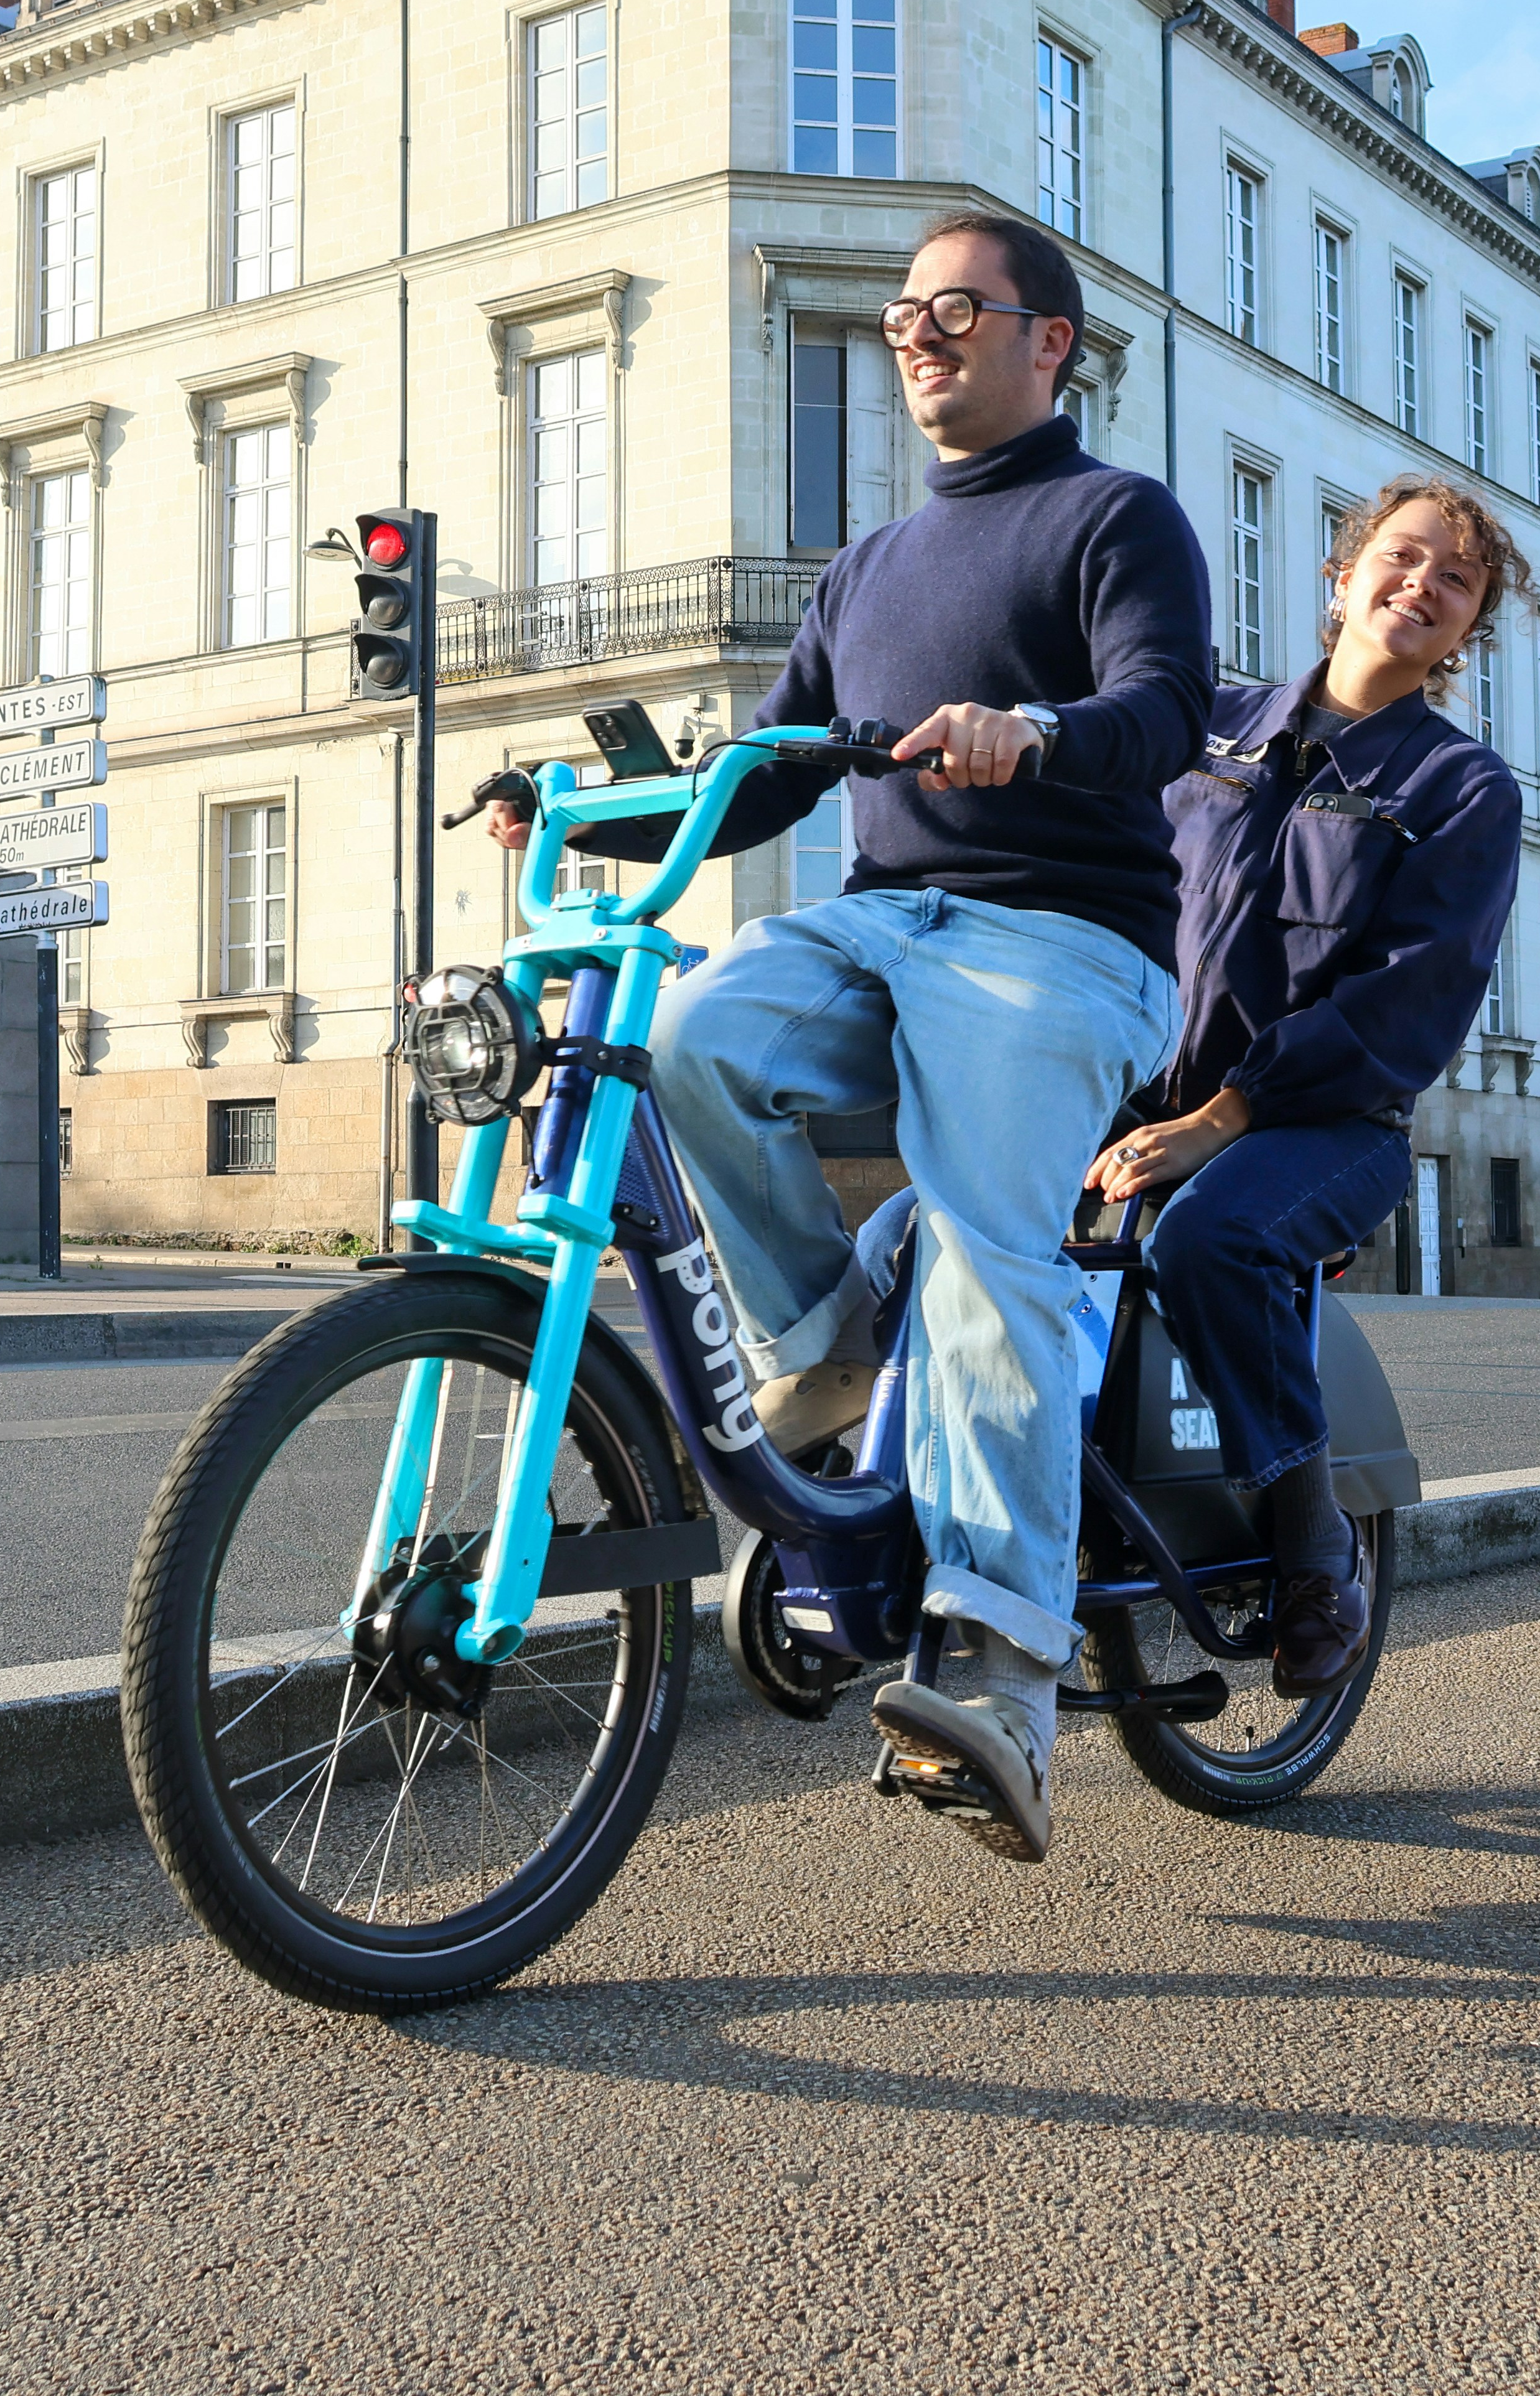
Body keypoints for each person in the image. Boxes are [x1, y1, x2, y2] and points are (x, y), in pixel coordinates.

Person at [490, 209, 1208, 1865]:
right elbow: (775, 772)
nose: (919, 332)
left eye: (960, 307)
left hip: (1063, 941)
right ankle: (823, 1352)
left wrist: (1030, 736)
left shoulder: (1119, 518)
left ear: (1052, 342)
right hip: (883, 926)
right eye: (907, 313)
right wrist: (578, 815)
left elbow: (1164, 707)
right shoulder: (866, 570)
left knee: (979, 1247)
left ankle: (1004, 1662)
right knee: (692, 1048)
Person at [1086, 476, 1528, 1695]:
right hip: (1144, 1091)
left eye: (1456, 579)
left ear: (1469, 627)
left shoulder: (1462, 789)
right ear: (1342, 578)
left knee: (1207, 1244)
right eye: (1403, 557)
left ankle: (1311, 1547)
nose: (1422, 585)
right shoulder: (1212, 724)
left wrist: (1221, 1120)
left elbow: (1406, 1005)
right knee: (945, 1211)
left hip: (1326, 1122)